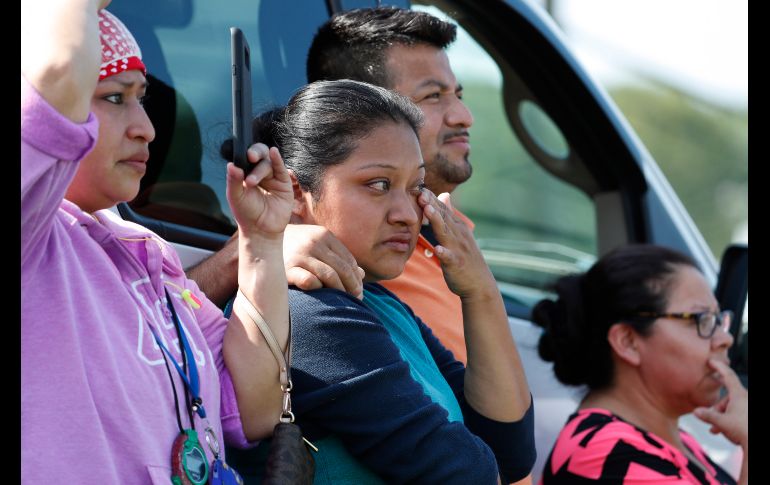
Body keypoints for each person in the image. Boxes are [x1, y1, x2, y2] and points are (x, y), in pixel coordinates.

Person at [21, 1, 293, 483]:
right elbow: (57, 76)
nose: (145, 127)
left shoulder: (143, 249)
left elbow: (256, 406)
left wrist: (263, 242)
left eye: (141, 98)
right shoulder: (33, 237)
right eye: (113, 98)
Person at [226, 79, 534, 484]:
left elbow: (509, 452)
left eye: (415, 188)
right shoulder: (306, 312)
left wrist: (480, 292)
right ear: (297, 193)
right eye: (378, 185)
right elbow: (466, 474)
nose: (407, 213)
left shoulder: (382, 305)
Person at [189, 7, 476, 367]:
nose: (464, 116)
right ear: (358, 103)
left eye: (457, 94)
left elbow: (491, 419)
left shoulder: (446, 243)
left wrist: (482, 293)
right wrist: (262, 248)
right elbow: (152, 317)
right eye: (433, 96)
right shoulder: (309, 274)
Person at [531, 244, 748, 484]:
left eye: (718, 320)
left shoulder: (670, 439)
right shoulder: (608, 453)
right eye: (701, 319)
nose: (724, 339)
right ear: (628, 342)